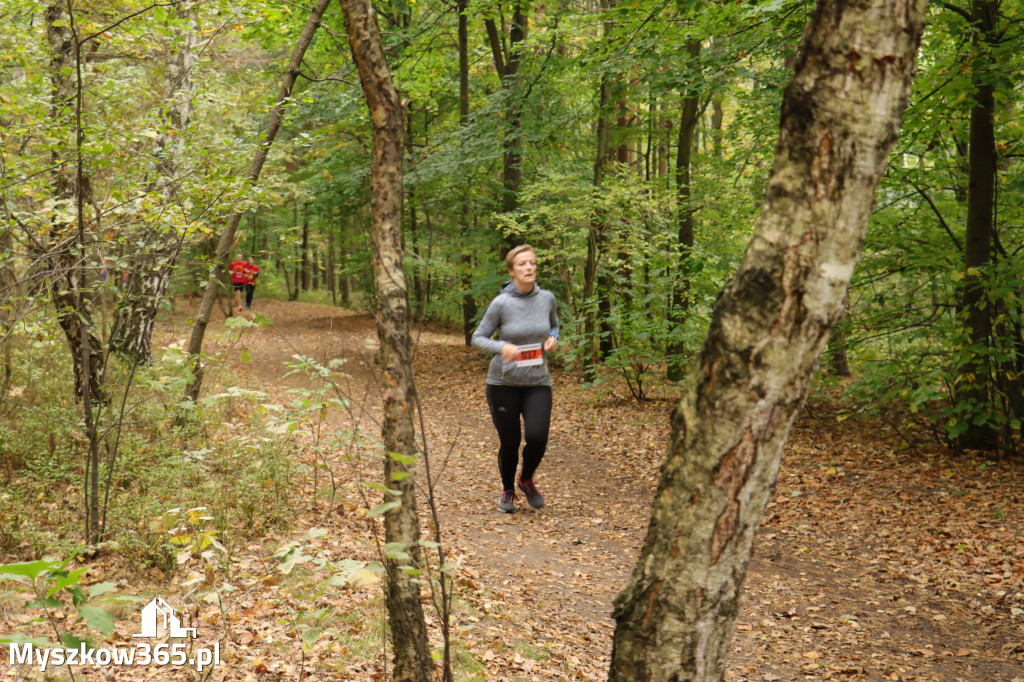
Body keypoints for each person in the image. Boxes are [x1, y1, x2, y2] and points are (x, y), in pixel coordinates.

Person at [471, 244, 559, 513]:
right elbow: (477, 337)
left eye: (532, 262)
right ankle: (508, 490)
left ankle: (526, 479)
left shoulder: (547, 299)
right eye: (522, 264)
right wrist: (501, 347)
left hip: (537, 382)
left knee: (537, 436)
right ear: (511, 271)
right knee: (510, 441)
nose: (529, 267)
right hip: (503, 384)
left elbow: (554, 325)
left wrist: (553, 338)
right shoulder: (502, 303)